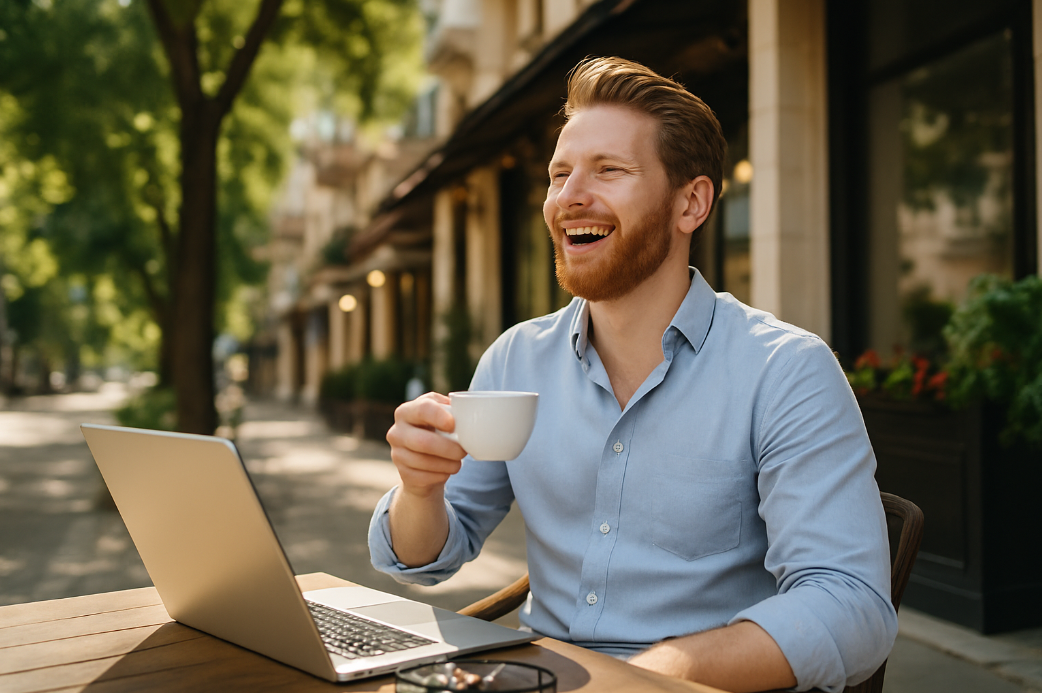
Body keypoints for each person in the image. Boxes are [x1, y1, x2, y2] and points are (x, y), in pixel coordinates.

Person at [369, 56, 896, 693]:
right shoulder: (514, 358)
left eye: (609, 171)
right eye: (559, 174)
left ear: (691, 204)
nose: (569, 197)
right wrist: (419, 490)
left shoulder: (786, 372)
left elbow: (852, 606)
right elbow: (426, 560)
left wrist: (639, 677)